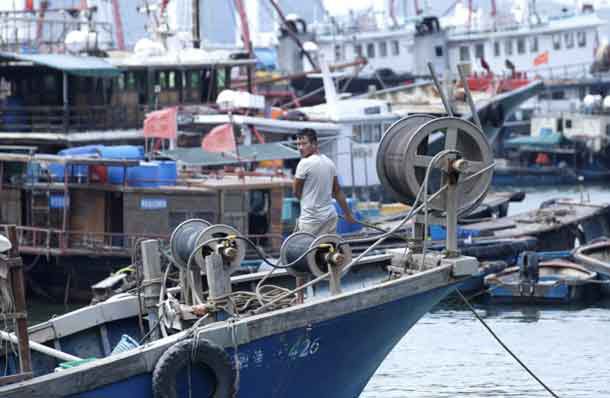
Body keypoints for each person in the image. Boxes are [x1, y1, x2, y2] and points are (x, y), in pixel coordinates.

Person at [293, 129, 356, 235]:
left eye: (304, 144)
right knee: (327, 249)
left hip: (311, 220)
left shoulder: (304, 163)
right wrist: (348, 214)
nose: (300, 148)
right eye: (298, 144)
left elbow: (296, 192)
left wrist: (307, 201)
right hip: (330, 217)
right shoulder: (329, 162)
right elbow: (337, 192)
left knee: (309, 250)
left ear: (314, 144)